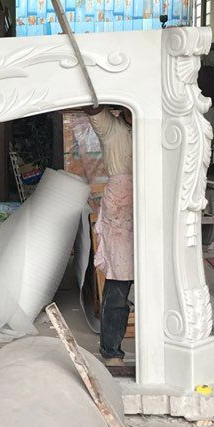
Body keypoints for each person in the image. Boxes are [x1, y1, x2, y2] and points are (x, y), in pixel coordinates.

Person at [84, 105, 133, 366]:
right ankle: (111, 352)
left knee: (157, 283)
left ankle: (161, 349)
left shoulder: (155, 124)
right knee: (118, 284)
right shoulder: (110, 127)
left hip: (152, 202)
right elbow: (91, 107)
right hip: (120, 210)